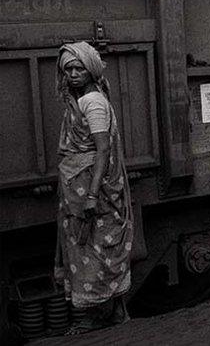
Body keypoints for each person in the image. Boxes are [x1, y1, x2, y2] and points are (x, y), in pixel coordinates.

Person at [53, 42, 133, 335]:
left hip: (92, 189)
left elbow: (102, 150)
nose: (73, 74)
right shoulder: (80, 99)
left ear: (91, 70)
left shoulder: (92, 102)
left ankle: (96, 316)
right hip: (79, 183)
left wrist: (91, 194)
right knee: (88, 249)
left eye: (79, 68)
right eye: (68, 69)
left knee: (95, 250)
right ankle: (113, 313)